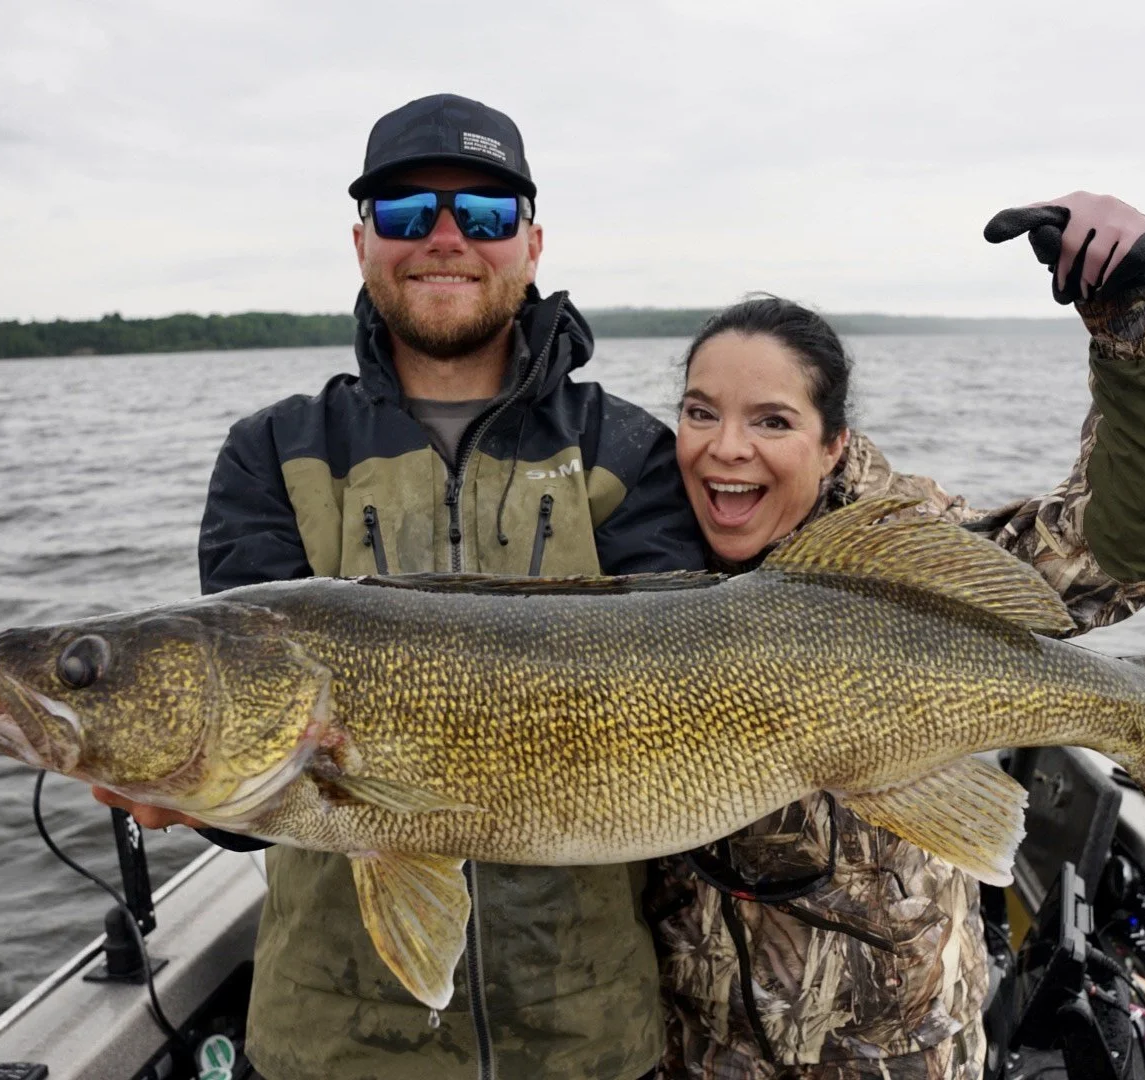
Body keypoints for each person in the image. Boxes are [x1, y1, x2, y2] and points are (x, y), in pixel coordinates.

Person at [94, 93, 706, 1080]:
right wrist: (186, 790)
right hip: (332, 1042)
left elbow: (694, 695)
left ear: (532, 243)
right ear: (362, 242)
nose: (447, 239)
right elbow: (250, 770)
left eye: (487, 214)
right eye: (407, 214)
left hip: (587, 1036)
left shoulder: (625, 451)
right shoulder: (273, 454)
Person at [648, 192, 1145, 1080]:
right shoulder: (647, 558)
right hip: (701, 1051)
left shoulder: (907, 560)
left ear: (835, 445)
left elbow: (1122, 552)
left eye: (772, 420)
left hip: (894, 1056)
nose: (725, 449)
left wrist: (1136, 321)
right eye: (700, 412)